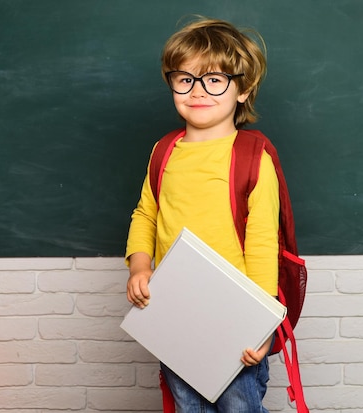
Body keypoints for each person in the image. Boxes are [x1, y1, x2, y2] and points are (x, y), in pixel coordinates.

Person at [124, 17, 278, 412]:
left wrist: (262, 328)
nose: (198, 91)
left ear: (242, 90)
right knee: (187, 406)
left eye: (215, 80)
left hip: (234, 322)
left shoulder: (252, 159)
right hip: (177, 316)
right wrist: (139, 266)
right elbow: (146, 214)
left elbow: (263, 245)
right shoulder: (164, 151)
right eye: (186, 79)